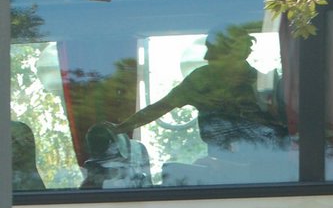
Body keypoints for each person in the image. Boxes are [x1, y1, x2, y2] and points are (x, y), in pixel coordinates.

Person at [116, 25, 287, 157]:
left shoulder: (267, 84)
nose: (206, 57)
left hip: (268, 168)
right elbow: (158, 109)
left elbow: (290, 127)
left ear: (238, 52)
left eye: (213, 50)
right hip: (219, 166)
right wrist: (119, 129)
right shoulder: (200, 80)